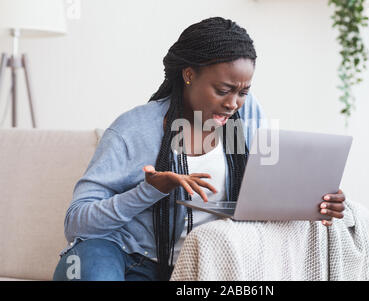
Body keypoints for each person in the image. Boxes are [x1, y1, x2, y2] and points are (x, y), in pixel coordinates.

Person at [53, 16, 346, 281]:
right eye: (223, 90)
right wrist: (151, 190)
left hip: (206, 263)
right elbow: (76, 223)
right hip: (131, 260)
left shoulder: (244, 117)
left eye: (243, 92)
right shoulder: (134, 129)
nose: (233, 103)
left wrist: (313, 201)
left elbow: (269, 187)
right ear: (189, 75)